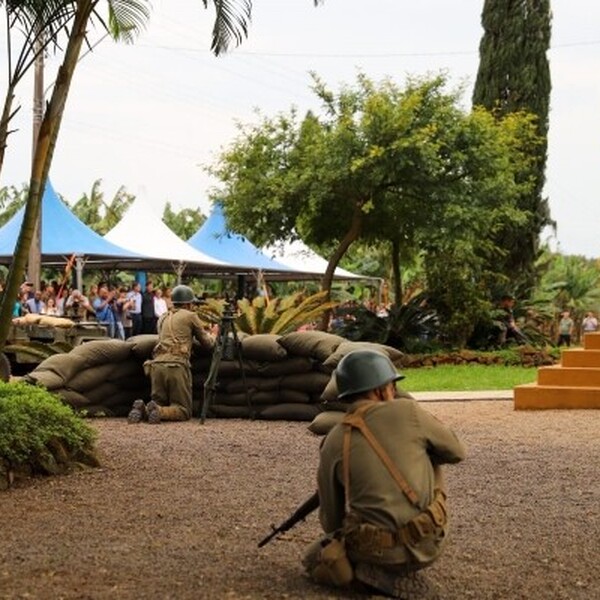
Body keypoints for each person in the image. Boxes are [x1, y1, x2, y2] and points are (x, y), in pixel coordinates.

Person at [303, 350, 466, 597]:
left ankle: (366, 574)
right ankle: (386, 574)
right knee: (432, 455)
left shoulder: (333, 441)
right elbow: (457, 452)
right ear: (381, 390)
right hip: (429, 541)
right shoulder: (409, 412)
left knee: (313, 557)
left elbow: (331, 522)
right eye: (393, 386)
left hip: (373, 551)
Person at [127, 284, 214, 424]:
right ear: (188, 304)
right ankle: (159, 410)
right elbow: (207, 344)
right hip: (176, 366)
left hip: (156, 365)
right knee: (183, 411)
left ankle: (144, 409)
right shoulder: (191, 316)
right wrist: (213, 335)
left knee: (158, 402)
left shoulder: (162, 317)